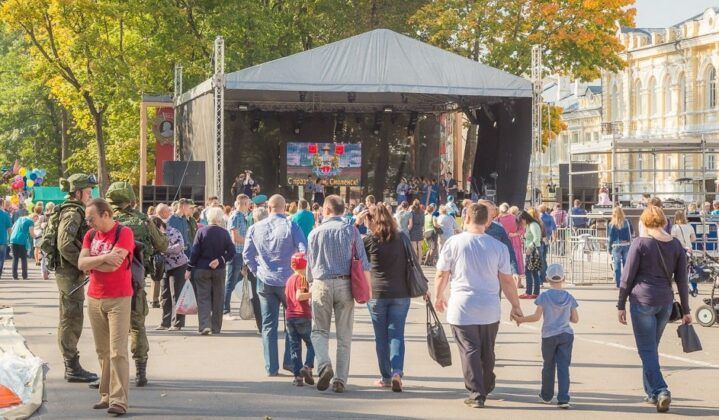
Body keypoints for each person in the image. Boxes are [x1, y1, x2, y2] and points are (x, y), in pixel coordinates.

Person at [434, 203, 523, 408]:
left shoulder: (453, 243)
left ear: (466, 219)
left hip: (462, 306)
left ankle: (476, 392)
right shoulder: (498, 247)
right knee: (487, 349)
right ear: (489, 221)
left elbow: (441, 273)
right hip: (490, 306)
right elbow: (507, 281)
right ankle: (487, 382)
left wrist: (438, 295)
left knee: (469, 350)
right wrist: (515, 305)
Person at [617, 205, 691, 413]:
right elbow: (682, 281)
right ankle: (651, 392)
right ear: (664, 222)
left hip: (642, 302)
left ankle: (661, 389)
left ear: (644, 222)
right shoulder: (676, 245)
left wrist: (621, 304)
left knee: (647, 350)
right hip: (665, 303)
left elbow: (627, 276)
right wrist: (686, 310)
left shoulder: (640, 243)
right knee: (650, 349)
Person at [105, 181, 168, 387]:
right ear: (130, 199)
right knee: (137, 325)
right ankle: (141, 370)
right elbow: (161, 245)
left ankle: (111, 374)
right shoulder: (143, 221)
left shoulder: (106, 220)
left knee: (109, 327)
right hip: (135, 280)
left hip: (107, 281)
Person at [306, 195, 371, 393]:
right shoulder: (351, 231)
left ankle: (324, 364)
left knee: (319, 331)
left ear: (325, 210)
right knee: (344, 336)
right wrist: (368, 291)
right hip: (345, 284)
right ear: (343, 210)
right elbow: (363, 263)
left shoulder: (314, 233)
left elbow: (309, 266)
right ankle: (340, 380)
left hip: (321, 283)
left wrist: (310, 283)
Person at [78, 198, 135, 416]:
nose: (89, 222)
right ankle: (106, 395)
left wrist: (93, 261)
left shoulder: (124, 233)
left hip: (119, 298)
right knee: (102, 351)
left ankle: (119, 400)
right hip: (94, 298)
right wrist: (103, 257)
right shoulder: (90, 235)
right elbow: (81, 263)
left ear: (106, 214)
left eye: (92, 218)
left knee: (117, 351)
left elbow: (114, 266)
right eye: (87, 218)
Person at [243, 194, 307, 375]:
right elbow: (304, 249)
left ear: (268, 208)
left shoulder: (255, 228)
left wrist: (257, 271)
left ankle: (271, 367)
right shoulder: (291, 225)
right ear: (284, 207)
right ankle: (290, 361)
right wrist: (299, 271)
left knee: (268, 325)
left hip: (265, 280)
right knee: (291, 323)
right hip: (288, 280)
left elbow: (247, 255)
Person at [52, 173, 99, 383]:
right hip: (70, 273)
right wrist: (83, 262)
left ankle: (72, 364)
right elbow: (64, 244)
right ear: (78, 192)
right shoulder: (73, 213)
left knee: (72, 316)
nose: (90, 196)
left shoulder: (74, 210)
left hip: (71, 272)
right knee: (71, 318)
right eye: (88, 192)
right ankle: (71, 366)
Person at [513, 264, 579, 409]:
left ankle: (546, 395)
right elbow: (575, 319)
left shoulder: (544, 296)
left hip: (549, 336)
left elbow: (537, 317)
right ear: (564, 278)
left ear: (548, 279)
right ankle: (563, 398)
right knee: (563, 367)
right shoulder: (569, 297)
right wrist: (563, 315)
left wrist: (521, 319)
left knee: (548, 366)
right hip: (566, 335)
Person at [363, 203, 413, 392]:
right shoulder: (402, 238)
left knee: (381, 337)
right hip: (401, 292)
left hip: (376, 293)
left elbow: (359, 262)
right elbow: (412, 262)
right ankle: (397, 373)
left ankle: (385, 376)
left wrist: (359, 221)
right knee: (397, 334)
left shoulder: (369, 240)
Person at [187, 207, 235, 335]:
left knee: (203, 298)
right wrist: (220, 260)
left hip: (201, 268)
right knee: (218, 298)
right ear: (220, 218)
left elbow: (195, 252)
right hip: (219, 269)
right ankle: (216, 327)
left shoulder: (201, 231)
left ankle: (204, 325)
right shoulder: (224, 233)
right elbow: (232, 252)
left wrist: (189, 268)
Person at [154, 207, 188, 331]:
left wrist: (163, 249)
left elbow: (179, 247)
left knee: (177, 294)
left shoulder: (174, 231)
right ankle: (165, 322)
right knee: (165, 295)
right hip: (164, 267)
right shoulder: (155, 235)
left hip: (179, 266)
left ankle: (178, 323)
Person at [285, 252, 315, 387]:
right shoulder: (302, 279)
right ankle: (308, 366)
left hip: (290, 317)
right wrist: (314, 292)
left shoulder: (290, 279)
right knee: (313, 343)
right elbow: (299, 296)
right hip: (302, 315)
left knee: (295, 347)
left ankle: (297, 377)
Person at [223, 194, 250, 318]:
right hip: (235, 254)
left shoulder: (242, 216)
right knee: (230, 282)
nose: (249, 205)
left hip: (240, 254)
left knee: (236, 282)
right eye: (248, 203)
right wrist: (250, 241)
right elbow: (235, 238)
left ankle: (226, 308)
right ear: (243, 204)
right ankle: (224, 310)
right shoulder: (236, 217)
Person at [671, 210, 697, 296]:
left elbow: (673, 240)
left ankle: (682, 289)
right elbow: (693, 239)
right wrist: (687, 242)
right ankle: (694, 288)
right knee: (691, 270)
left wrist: (682, 244)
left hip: (680, 251)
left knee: (679, 272)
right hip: (690, 250)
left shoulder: (675, 227)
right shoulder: (689, 226)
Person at [498, 204, 525, 287]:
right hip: (515, 240)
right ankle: (518, 282)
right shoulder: (514, 218)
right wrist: (516, 234)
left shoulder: (498, 219)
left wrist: (508, 234)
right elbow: (522, 229)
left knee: (504, 260)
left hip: (503, 240)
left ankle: (507, 282)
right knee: (517, 259)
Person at [519, 210, 542, 299]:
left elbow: (536, 238)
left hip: (533, 250)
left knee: (531, 271)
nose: (521, 223)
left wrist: (530, 247)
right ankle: (532, 292)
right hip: (532, 249)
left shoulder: (533, 225)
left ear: (524, 219)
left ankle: (531, 292)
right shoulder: (530, 225)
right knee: (532, 271)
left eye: (521, 221)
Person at [608, 206, 632, 288]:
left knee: (617, 264)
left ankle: (618, 283)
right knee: (626, 265)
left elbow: (610, 237)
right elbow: (631, 232)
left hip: (616, 245)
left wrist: (609, 248)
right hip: (626, 244)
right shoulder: (627, 222)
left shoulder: (611, 224)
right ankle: (626, 282)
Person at [9, 212, 35, 280]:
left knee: (15, 258)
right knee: (23, 259)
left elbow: (13, 228)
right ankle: (24, 276)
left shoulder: (19, 219)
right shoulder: (30, 222)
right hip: (22, 241)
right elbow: (32, 233)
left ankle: (14, 276)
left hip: (13, 239)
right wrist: (37, 237)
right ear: (33, 217)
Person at [0, 198, 12, 279]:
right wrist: (11, 239)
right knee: (1, 258)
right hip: (2, 239)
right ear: (2, 204)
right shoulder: (5, 215)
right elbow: (9, 229)